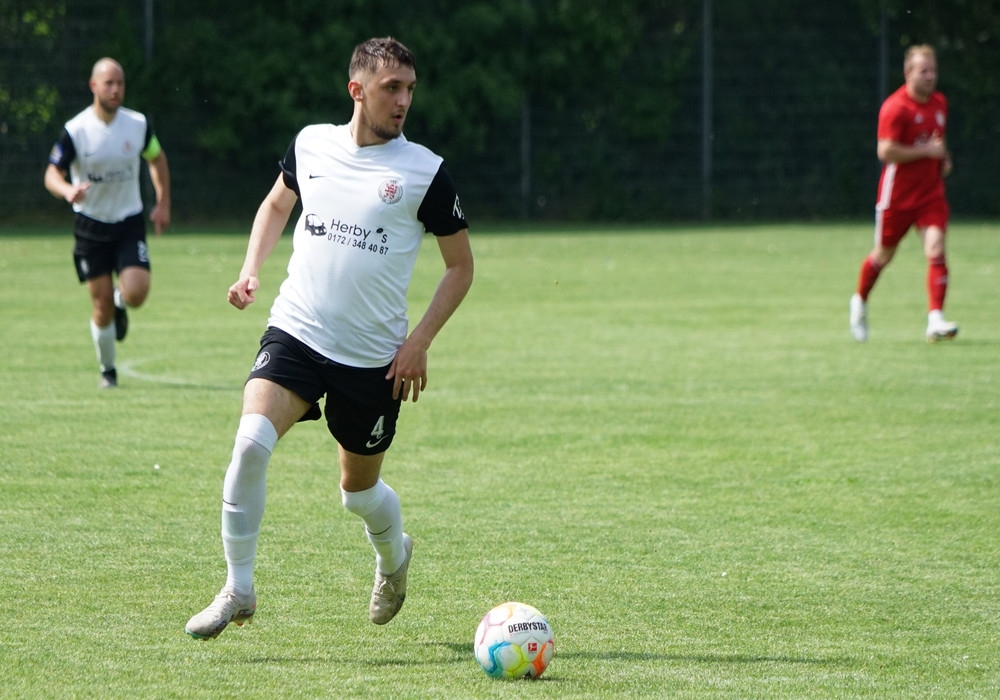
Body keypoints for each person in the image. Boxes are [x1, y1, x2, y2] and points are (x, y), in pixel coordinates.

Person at [185, 37, 474, 640]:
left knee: (357, 493)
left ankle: (393, 557)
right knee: (250, 445)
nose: (403, 100)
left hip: (372, 360)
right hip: (297, 331)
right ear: (356, 90)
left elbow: (460, 267)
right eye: (391, 88)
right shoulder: (311, 143)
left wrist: (419, 341)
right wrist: (250, 269)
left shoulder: (425, 171)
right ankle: (238, 587)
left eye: (410, 89)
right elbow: (275, 205)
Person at [44, 57, 172, 387]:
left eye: (120, 83)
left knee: (137, 293)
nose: (115, 90)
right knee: (99, 306)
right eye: (109, 83)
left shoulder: (138, 124)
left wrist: (162, 202)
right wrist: (67, 190)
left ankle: (121, 301)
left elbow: (156, 158)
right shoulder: (76, 130)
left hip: (128, 221)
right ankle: (108, 371)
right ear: (94, 86)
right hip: (90, 226)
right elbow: (51, 173)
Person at [850, 44, 957, 343]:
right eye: (924, 71)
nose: (930, 76)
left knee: (936, 249)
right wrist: (927, 151)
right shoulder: (896, 107)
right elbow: (885, 151)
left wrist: (942, 159)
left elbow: (937, 143)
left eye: (933, 70)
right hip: (897, 197)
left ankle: (935, 320)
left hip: (930, 194)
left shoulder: (939, 103)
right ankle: (859, 301)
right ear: (908, 73)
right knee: (883, 255)